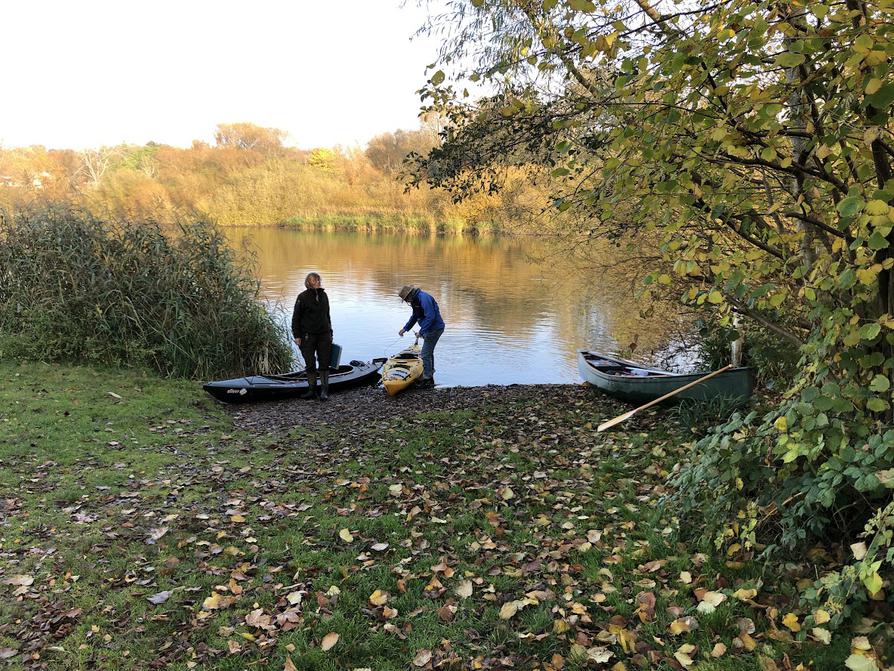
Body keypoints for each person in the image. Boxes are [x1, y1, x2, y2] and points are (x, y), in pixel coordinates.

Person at [292, 272, 333, 401]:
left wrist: (330, 332)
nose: (318, 282)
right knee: (310, 364)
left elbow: (327, 315)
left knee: (324, 363)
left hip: (324, 335)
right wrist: (297, 335)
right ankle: (312, 390)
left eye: (318, 280)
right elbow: (295, 318)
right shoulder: (302, 297)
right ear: (308, 283)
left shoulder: (324, 295)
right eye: (314, 280)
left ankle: (324, 391)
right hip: (307, 336)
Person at [398, 285, 445, 389]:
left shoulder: (424, 298)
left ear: (409, 295)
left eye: (406, 299)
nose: (407, 302)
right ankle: (430, 375)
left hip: (435, 329)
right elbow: (415, 316)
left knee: (424, 354)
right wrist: (405, 328)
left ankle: (427, 379)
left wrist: (421, 331)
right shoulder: (416, 300)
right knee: (428, 353)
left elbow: (431, 316)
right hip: (430, 329)